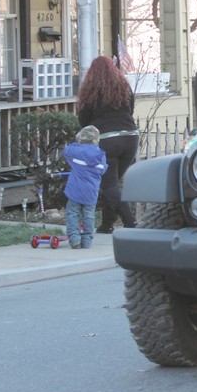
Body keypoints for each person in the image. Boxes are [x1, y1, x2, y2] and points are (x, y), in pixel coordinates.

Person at [77, 56, 139, 233]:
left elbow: (84, 120)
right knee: (112, 183)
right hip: (130, 137)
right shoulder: (124, 86)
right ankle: (107, 224)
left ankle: (130, 222)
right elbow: (131, 109)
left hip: (107, 139)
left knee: (109, 184)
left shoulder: (90, 91)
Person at [63, 125, 108, 249]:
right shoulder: (100, 155)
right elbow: (103, 170)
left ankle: (74, 239)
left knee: (73, 213)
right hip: (91, 190)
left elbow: (66, 150)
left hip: (75, 189)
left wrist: (77, 143)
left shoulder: (74, 151)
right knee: (89, 214)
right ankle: (87, 241)